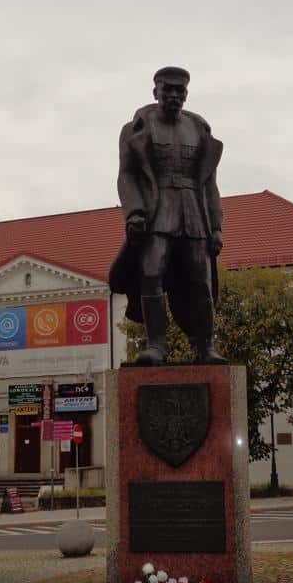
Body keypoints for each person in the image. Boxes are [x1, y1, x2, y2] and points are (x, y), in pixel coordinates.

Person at [109, 66, 226, 365]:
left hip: (193, 213)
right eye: (168, 90)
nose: (174, 96)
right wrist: (134, 213)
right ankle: (156, 345)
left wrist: (216, 227)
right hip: (155, 211)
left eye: (180, 91)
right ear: (156, 92)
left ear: (186, 94)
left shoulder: (199, 130)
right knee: (150, 275)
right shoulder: (138, 128)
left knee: (201, 281)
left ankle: (205, 346)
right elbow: (127, 176)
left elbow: (210, 184)